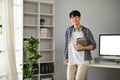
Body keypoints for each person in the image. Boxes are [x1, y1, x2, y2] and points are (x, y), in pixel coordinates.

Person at [63, 10, 96, 80]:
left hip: (83, 60)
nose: (74, 19)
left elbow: (94, 45)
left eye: (76, 17)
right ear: (70, 19)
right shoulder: (68, 30)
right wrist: (65, 58)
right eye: (72, 18)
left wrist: (83, 48)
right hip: (71, 60)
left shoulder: (86, 30)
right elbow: (66, 45)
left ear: (80, 17)